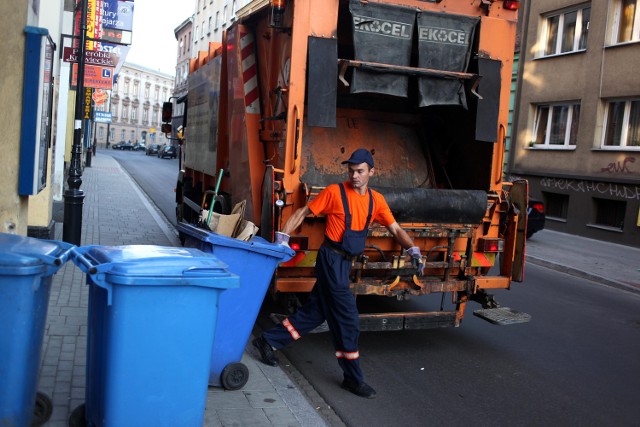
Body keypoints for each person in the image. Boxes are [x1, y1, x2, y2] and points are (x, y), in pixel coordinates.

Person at [253, 148, 424, 399]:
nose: (354, 176)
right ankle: (352, 379)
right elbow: (303, 212)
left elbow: (395, 228)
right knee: (348, 319)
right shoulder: (334, 192)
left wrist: (413, 249)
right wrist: (283, 238)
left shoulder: (376, 200)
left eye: (360, 171)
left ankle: (267, 341)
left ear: (371, 172)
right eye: (351, 171)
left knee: (315, 313)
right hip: (331, 259)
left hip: (345, 263)